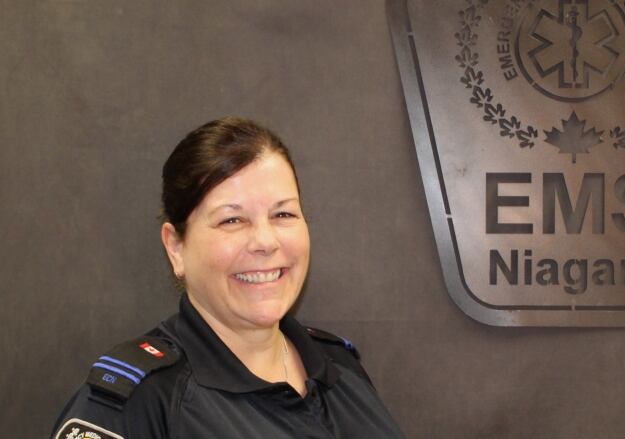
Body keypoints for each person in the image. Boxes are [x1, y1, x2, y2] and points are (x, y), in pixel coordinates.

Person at [51, 117, 405, 438]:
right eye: (231, 220)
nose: (265, 242)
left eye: (283, 213)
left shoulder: (340, 368)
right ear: (176, 247)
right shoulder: (138, 404)